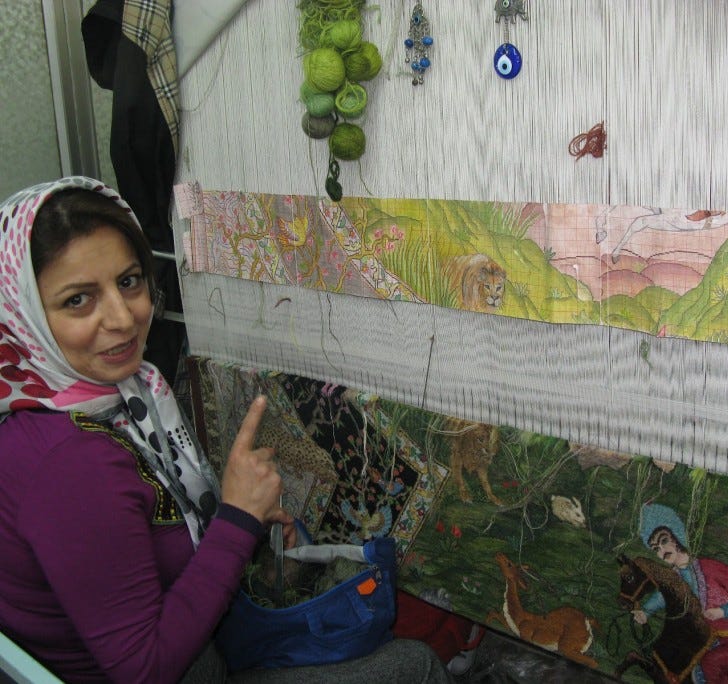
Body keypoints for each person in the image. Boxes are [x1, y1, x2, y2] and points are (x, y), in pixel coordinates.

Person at [0, 177, 450, 684]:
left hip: (198, 649)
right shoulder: (68, 462)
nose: (123, 318)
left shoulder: (109, 402)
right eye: (78, 300)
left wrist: (246, 528)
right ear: (23, 315)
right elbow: (145, 670)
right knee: (415, 667)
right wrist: (237, 519)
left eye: (128, 281)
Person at [632, 503, 728, 683]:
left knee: (711, 663)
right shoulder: (675, 577)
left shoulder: (710, 568)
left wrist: (722, 611)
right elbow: (663, 596)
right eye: (655, 548)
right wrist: (645, 612)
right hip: (707, 643)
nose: (662, 551)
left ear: (676, 538)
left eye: (664, 541)